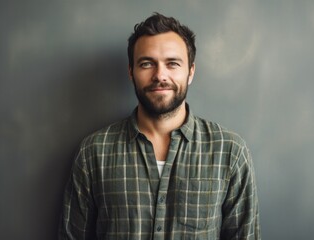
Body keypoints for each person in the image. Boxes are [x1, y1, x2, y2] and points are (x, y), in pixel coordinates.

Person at [59, 12, 261, 240]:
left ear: (191, 72)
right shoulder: (94, 152)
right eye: (147, 64)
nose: (160, 75)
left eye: (172, 63)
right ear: (131, 72)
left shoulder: (230, 152)